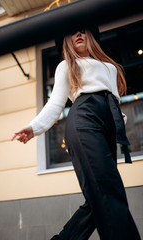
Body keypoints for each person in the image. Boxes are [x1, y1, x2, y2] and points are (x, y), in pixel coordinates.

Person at [11, 25, 141, 240]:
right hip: (84, 120)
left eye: (82, 30)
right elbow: (55, 104)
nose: (77, 34)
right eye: (71, 32)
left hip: (106, 126)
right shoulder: (67, 65)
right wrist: (34, 127)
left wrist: (120, 120)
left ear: (90, 35)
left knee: (98, 197)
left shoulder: (110, 67)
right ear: (66, 41)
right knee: (108, 189)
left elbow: (114, 101)